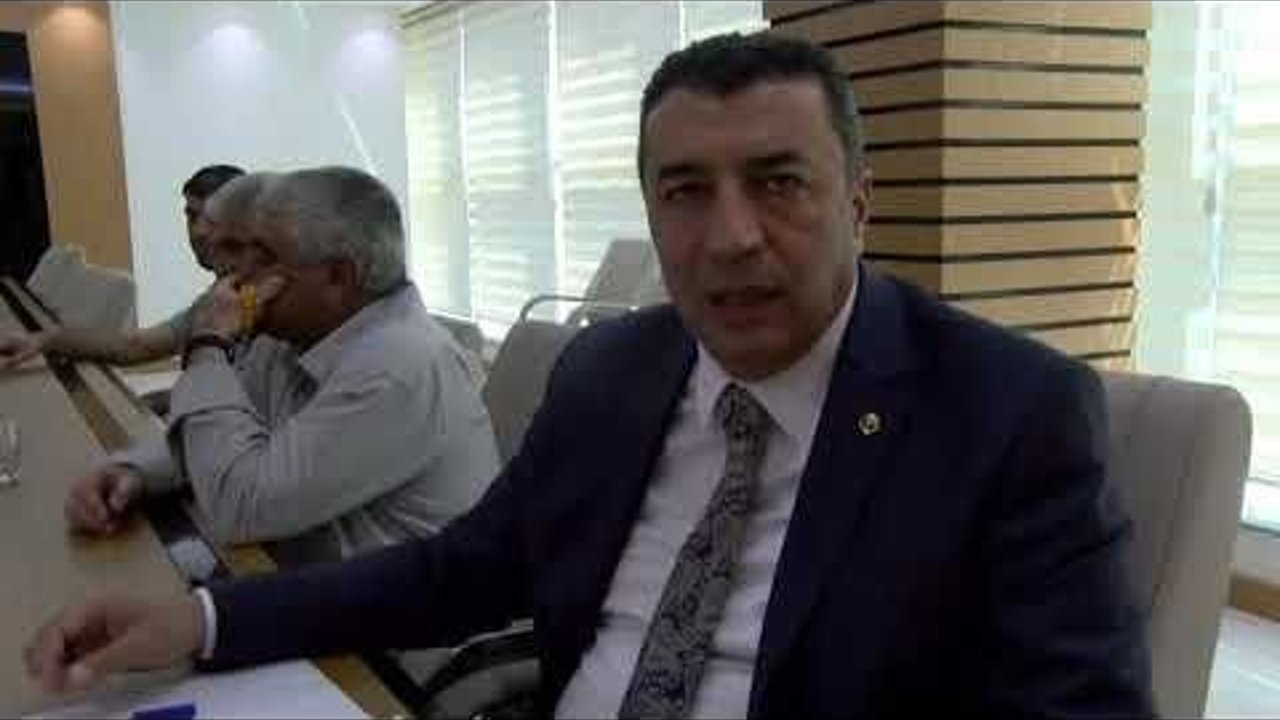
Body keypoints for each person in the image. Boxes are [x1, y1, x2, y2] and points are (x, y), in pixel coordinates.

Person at [24, 35, 1153, 717]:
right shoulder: (615, 366)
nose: (730, 238)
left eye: (779, 183)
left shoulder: (1008, 414)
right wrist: (201, 620)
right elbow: (455, 574)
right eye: (685, 193)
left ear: (857, 204)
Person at [60, 166, 500, 564]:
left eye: (265, 257)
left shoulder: (399, 365)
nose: (237, 274)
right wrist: (134, 471)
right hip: (300, 573)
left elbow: (240, 507)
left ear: (338, 277)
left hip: (392, 620)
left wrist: (208, 347)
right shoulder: (288, 336)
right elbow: (224, 435)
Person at [0, 164, 245, 369]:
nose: (198, 231)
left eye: (211, 218)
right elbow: (133, 347)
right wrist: (45, 340)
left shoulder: (258, 304)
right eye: (192, 216)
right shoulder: (217, 300)